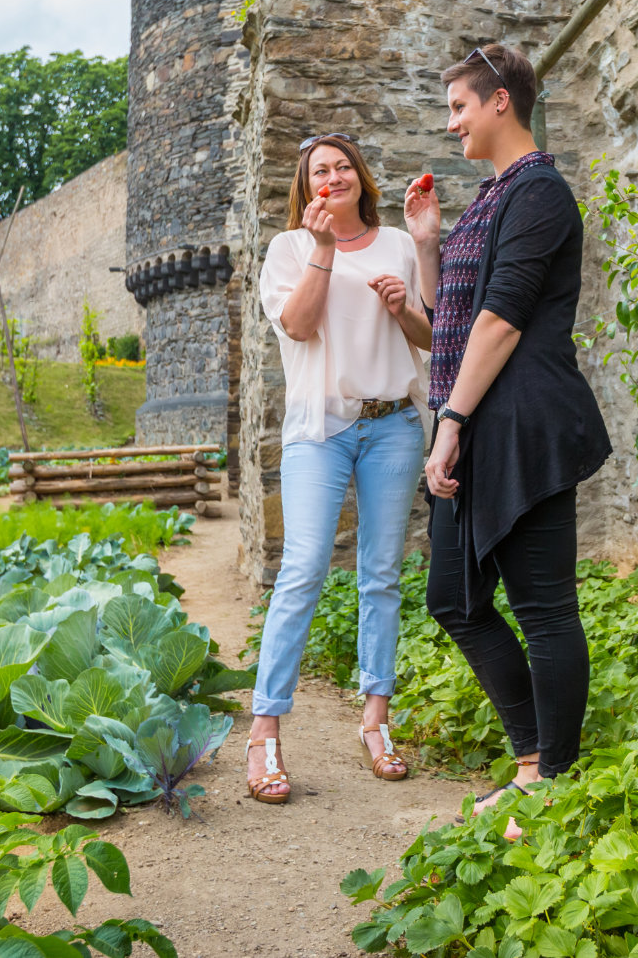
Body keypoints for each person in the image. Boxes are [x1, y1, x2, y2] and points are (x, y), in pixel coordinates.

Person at [402, 43, 611, 828]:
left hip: (523, 424)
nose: (450, 121)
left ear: (500, 101)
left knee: (543, 607)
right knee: (453, 597)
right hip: (478, 421)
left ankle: (551, 778)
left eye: (459, 106)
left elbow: (501, 320)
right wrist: (429, 244)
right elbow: (450, 322)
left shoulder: (540, 191)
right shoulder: (492, 197)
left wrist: (449, 422)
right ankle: (533, 758)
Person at [246, 132, 431, 804]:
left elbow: (434, 336)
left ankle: (376, 720)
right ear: (307, 187)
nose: (332, 175)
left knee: (381, 574)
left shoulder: (399, 245)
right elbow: (297, 326)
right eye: (319, 169)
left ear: (360, 176)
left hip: (393, 425)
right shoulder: (289, 249)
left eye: (343, 165)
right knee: (302, 568)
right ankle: (264, 731)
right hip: (320, 428)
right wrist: (323, 249)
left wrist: (402, 308)